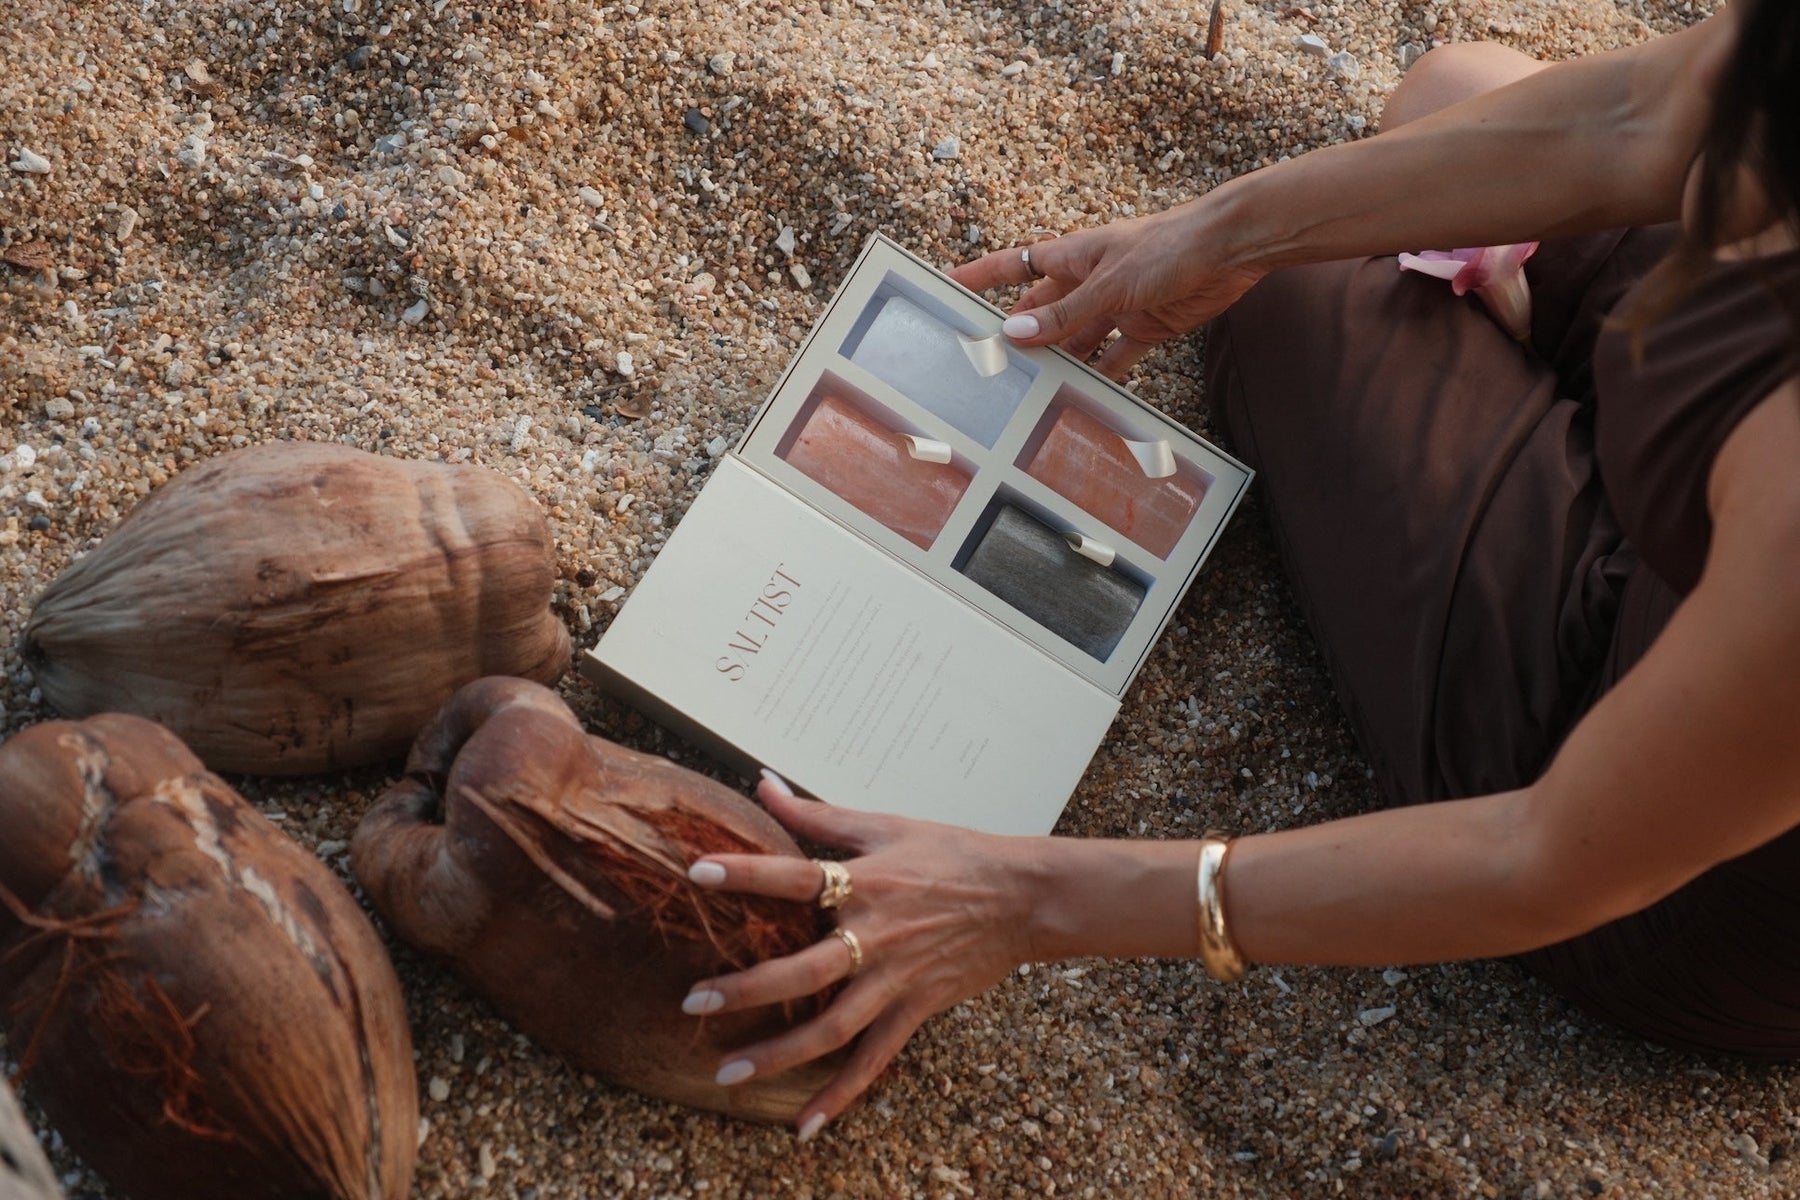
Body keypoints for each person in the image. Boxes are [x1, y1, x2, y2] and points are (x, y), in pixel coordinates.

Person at [680, 0, 1800, 1142]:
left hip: (1659, 842)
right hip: (1723, 538)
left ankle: (1523, 436)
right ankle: (1535, 421)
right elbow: (1642, 108)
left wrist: (1017, 898)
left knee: (1306, 292)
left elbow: (1545, 857)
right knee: (1453, 92)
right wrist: (1219, 233)